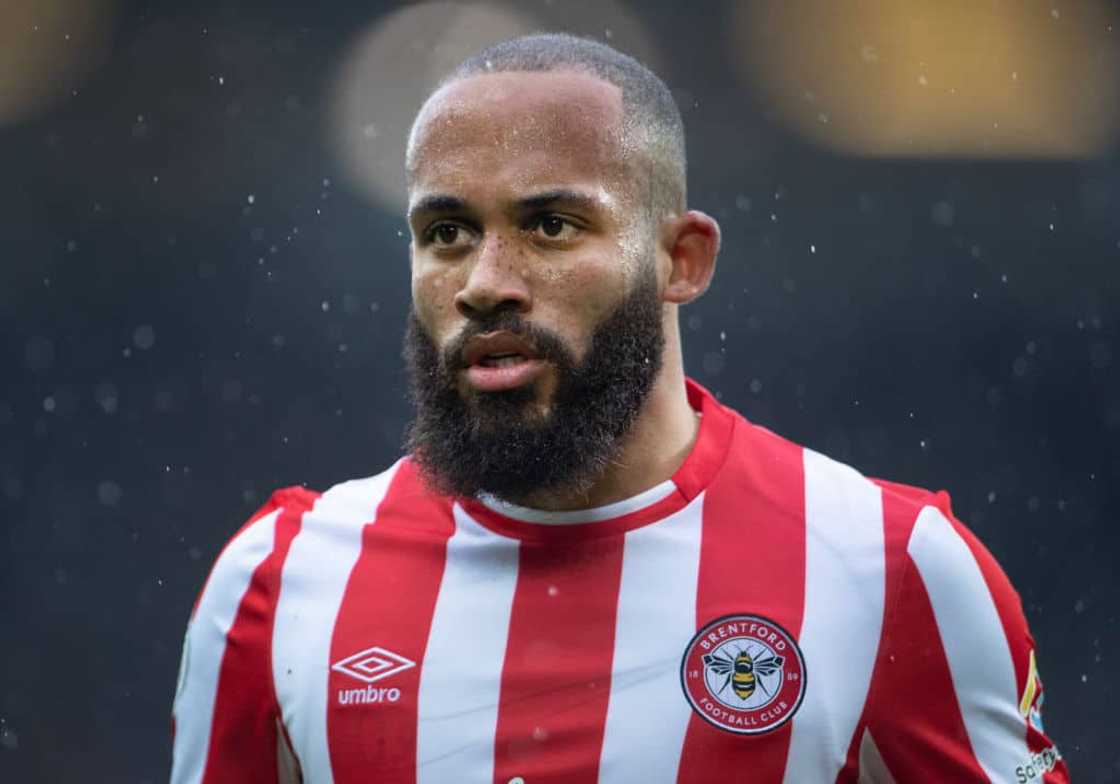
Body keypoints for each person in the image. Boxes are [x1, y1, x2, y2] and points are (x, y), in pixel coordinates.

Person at [170, 33, 1069, 784]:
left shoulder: (892, 569)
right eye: (445, 233)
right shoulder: (278, 584)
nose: (485, 283)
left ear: (681, 258)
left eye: (549, 226)